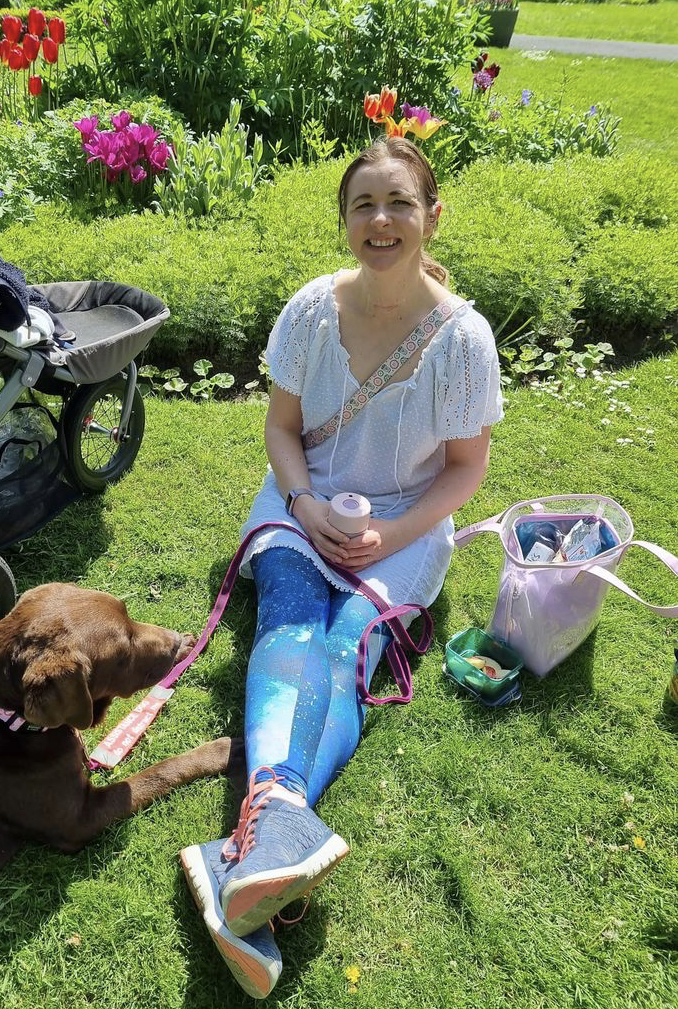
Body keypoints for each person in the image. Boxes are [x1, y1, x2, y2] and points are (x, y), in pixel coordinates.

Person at [179, 136, 503, 998]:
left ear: (433, 216)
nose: (381, 220)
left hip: (404, 529)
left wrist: (392, 541)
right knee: (289, 619)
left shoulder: (464, 340)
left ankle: (247, 845)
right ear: (345, 223)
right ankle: (277, 825)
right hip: (303, 504)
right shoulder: (309, 312)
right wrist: (303, 504)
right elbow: (282, 430)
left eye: (399, 202)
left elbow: (467, 469)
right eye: (364, 204)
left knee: (346, 652)